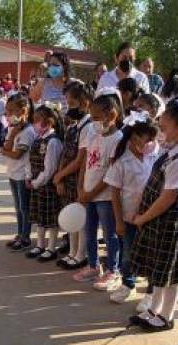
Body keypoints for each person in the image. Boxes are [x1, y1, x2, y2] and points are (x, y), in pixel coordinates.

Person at [124, 97, 178, 332]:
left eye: (165, 127)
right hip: (155, 220)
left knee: (169, 273)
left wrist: (143, 217)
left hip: (166, 221)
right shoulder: (173, 151)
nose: (161, 132)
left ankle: (166, 315)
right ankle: (154, 309)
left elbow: (167, 197)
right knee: (158, 270)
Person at [105, 113, 160, 304]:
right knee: (128, 253)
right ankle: (128, 283)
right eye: (139, 138)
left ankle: (151, 293)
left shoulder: (156, 156)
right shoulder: (122, 162)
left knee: (152, 255)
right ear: (132, 138)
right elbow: (114, 193)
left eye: (151, 140)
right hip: (129, 218)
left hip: (152, 217)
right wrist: (119, 221)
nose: (148, 143)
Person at [77, 89, 126, 292]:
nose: (93, 122)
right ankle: (93, 265)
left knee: (109, 234)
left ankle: (113, 270)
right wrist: (81, 188)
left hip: (104, 197)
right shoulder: (94, 134)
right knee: (89, 231)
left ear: (111, 115)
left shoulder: (118, 139)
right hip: (88, 193)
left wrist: (92, 193)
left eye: (97, 117)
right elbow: (85, 164)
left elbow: (111, 172)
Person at [54, 82, 95, 272]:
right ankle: (72, 251)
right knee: (72, 217)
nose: (68, 106)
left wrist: (61, 174)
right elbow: (66, 152)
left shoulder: (89, 126)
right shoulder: (75, 125)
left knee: (80, 219)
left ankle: (81, 255)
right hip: (68, 178)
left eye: (72, 103)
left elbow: (81, 160)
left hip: (80, 178)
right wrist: (60, 176)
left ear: (85, 102)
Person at [25, 105, 65, 262]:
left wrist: (36, 182)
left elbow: (50, 169)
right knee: (39, 217)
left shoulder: (53, 141)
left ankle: (51, 247)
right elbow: (30, 160)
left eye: (37, 120)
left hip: (47, 185)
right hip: (35, 183)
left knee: (50, 218)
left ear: (48, 122)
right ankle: (40, 245)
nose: (34, 123)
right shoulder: (37, 138)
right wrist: (29, 177)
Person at [2, 95, 37, 250]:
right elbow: (7, 148)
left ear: (23, 111)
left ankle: (25, 237)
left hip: (23, 175)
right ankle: (20, 233)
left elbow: (16, 154)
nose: (8, 114)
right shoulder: (14, 129)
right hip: (13, 174)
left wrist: (6, 151)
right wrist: (14, 132)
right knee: (18, 208)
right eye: (7, 111)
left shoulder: (29, 132)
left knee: (24, 208)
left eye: (11, 111)